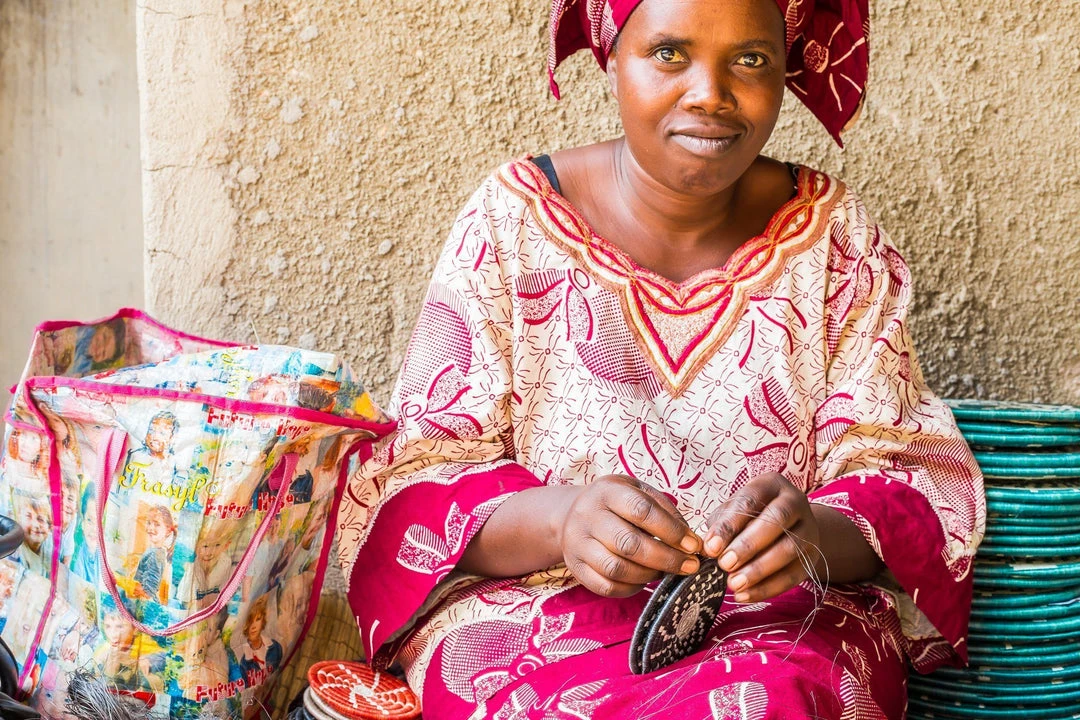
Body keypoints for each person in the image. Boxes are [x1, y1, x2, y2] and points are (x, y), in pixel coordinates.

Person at [338, 0, 985, 717]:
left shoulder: (833, 236)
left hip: (779, 628)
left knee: (771, 703)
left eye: (751, 59)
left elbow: (908, 487)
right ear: (614, 57)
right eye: (670, 53)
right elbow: (412, 484)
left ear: (788, 67)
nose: (711, 91)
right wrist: (564, 522)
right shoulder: (511, 221)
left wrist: (813, 536)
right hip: (531, 616)